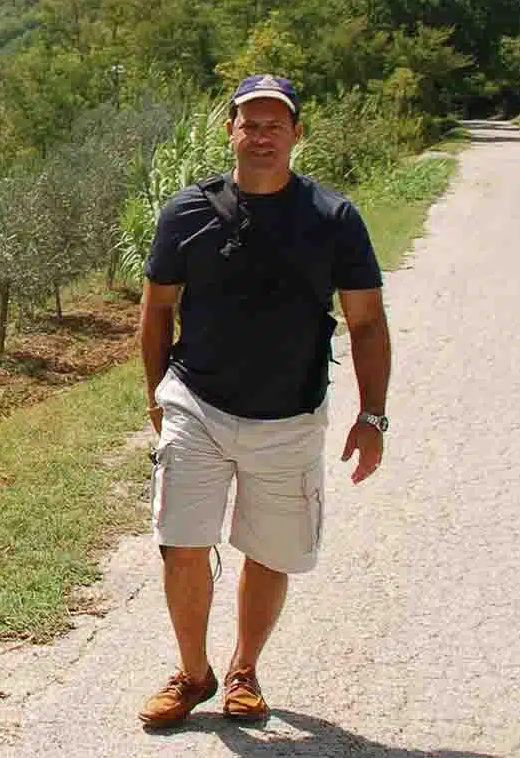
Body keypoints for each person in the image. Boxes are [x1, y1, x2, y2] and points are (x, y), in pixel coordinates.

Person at [135, 74, 392, 729]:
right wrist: (156, 396)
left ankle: (244, 668)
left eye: (276, 123)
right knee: (180, 539)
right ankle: (194, 672)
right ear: (231, 131)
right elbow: (157, 309)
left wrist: (371, 415)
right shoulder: (186, 214)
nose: (262, 135)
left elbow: (365, 321)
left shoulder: (333, 220)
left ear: (297, 134)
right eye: (250, 122)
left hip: (291, 414)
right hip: (198, 400)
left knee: (270, 549)